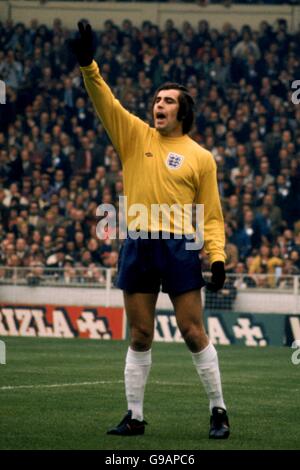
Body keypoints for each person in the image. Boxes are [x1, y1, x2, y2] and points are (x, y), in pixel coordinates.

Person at [69, 22, 230, 440]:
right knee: (140, 333)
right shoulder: (133, 134)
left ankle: (218, 411)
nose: (159, 105)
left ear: (183, 111)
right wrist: (88, 66)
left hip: (179, 246)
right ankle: (135, 416)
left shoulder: (200, 157)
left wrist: (216, 256)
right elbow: (106, 101)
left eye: (168, 101)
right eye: (157, 99)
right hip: (138, 243)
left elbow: (210, 215)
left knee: (192, 331)